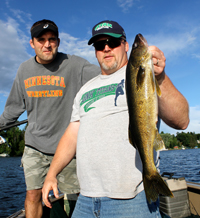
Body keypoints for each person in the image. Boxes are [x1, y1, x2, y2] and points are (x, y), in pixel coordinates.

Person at [42, 20, 189, 217]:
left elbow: (182, 121)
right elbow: (71, 136)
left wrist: (160, 77)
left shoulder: (146, 76)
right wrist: (52, 174)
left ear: (126, 46)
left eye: (112, 42)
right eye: (99, 45)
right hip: (85, 201)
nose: (106, 48)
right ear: (95, 51)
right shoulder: (84, 90)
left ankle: (151, 177)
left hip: (132, 201)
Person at [0, 19, 100, 218]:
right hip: (35, 147)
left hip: (67, 148)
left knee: (77, 196)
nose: (47, 44)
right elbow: (12, 110)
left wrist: (136, 64)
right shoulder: (23, 70)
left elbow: (106, 73)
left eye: (52, 39)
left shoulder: (75, 65)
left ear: (58, 41)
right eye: (41, 39)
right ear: (32, 43)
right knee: (32, 194)